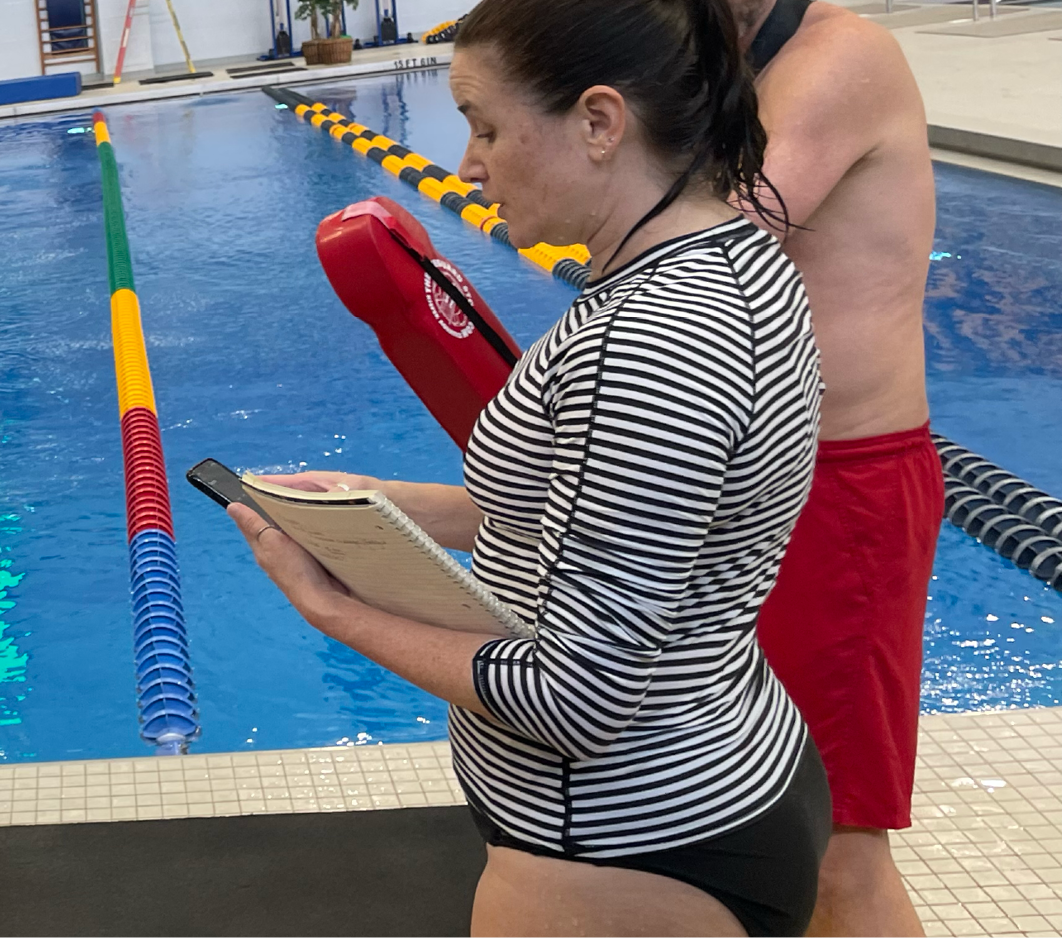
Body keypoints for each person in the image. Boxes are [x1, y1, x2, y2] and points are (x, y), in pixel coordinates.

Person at [229, 0, 832, 933]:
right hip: (706, 773)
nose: (467, 165)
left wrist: (333, 608)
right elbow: (584, 497)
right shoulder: (731, 259)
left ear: (598, 122)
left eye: (485, 127)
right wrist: (379, 505)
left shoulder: (648, 342)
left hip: (616, 843)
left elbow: (573, 698)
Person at [728, 2, 937, 932]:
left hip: (845, 487)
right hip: (764, 483)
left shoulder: (836, 56)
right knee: (765, 814)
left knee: (841, 843)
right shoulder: (725, 67)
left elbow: (710, 245)